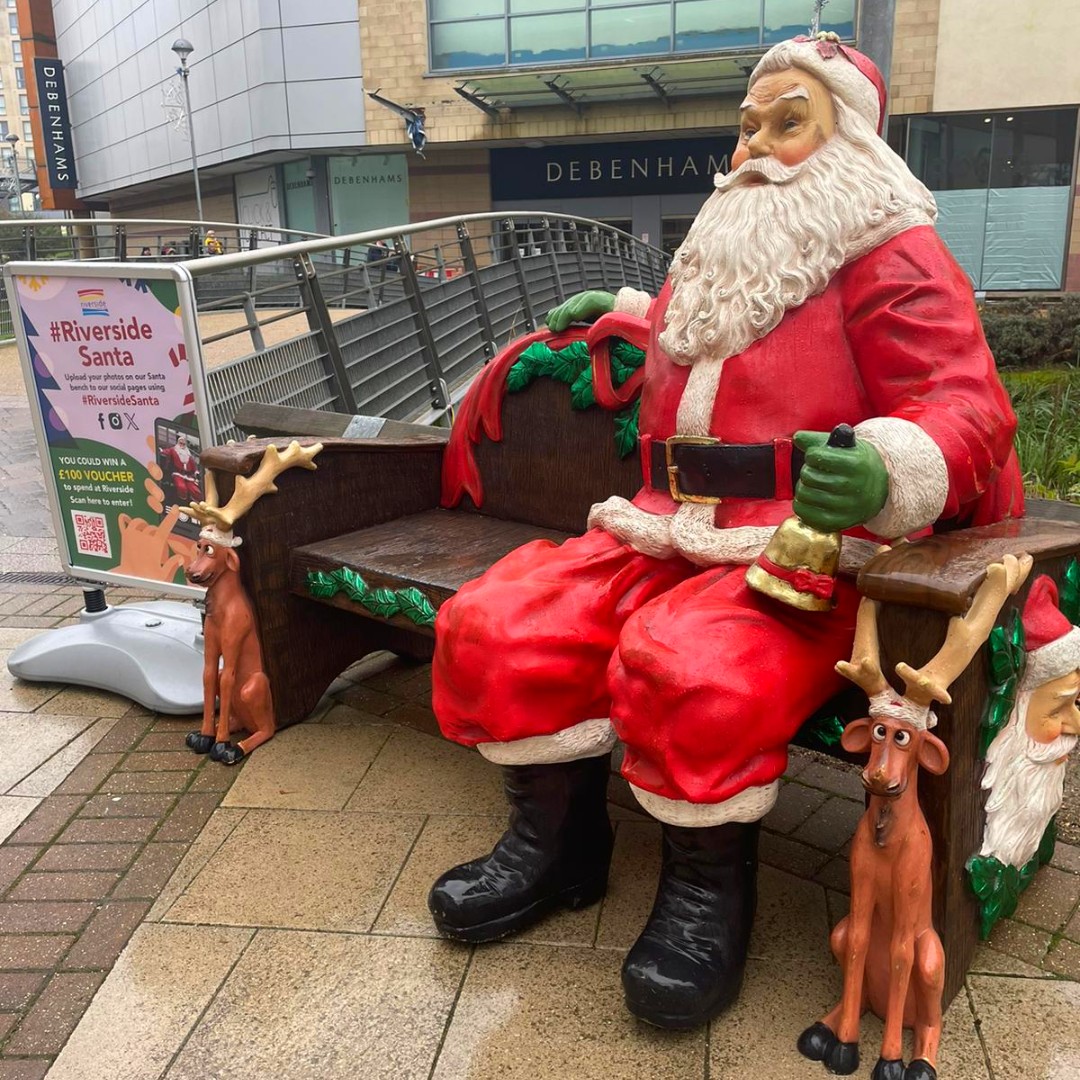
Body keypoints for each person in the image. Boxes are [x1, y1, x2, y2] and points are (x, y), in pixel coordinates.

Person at [427, 33, 1023, 1031]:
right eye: (749, 123)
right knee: (503, 621)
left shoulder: (891, 254)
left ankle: (704, 898)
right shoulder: (732, 240)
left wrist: (887, 465)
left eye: (790, 121)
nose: (756, 145)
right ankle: (557, 847)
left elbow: (966, 402)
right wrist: (624, 312)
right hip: (662, 525)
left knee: (694, 664)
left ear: (849, 143)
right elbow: (708, 329)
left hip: (802, 546)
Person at [161, 434, 200, 503]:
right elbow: (166, 451)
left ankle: (197, 501)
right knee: (181, 487)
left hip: (188, 476)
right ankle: (183, 500)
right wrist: (160, 450)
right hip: (178, 473)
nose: (182, 445)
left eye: (183, 444)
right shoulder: (173, 450)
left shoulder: (189, 455)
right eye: (180, 443)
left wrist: (196, 473)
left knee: (195, 490)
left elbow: (194, 466)